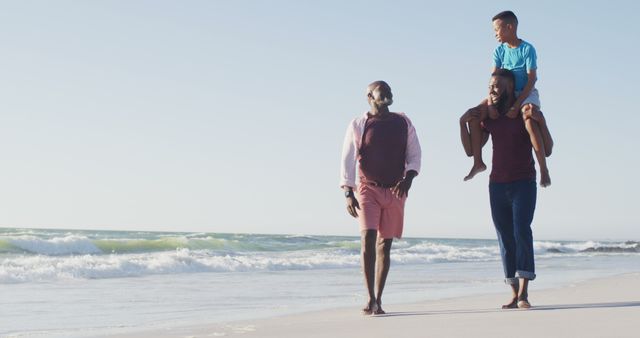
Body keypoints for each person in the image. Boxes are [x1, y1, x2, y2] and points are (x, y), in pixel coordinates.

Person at [460, 69, 552, 309]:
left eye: (497, 85)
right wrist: (462, 123)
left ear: (511, 88)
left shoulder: (524, 113)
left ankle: (524, 293)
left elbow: (548, 147)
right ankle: (514, 292)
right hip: (497, 184)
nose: (492, 89)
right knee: (504, 236)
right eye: (490, 85)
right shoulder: (489, 117)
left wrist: (541, 121)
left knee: (522, 230)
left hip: (524, 182)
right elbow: (472, 150)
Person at [339, 81, 421, 315]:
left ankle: (380, 300)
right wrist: (348, 191)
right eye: (382, 92)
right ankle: (369, 297)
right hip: (367, 189)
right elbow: (348, 158)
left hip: (396, 190)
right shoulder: (359, 124)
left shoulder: (403, 122)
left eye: (390, 92)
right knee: (368, 241)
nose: (387, 95)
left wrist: (408, 179)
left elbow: (414, 154)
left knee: (385, 245)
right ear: (369, 97)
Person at [463, 10, 553, 187]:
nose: (495, 33)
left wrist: (517, 105)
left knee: (528, 118)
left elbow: (531, 79)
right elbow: (493, 80)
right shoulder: (499, 51)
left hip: (525, 92)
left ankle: (543, 169)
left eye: (497, 29)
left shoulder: (527, 49)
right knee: (474, 114)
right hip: (503, 92)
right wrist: (489, 105)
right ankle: (477, 163)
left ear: (510, 27)